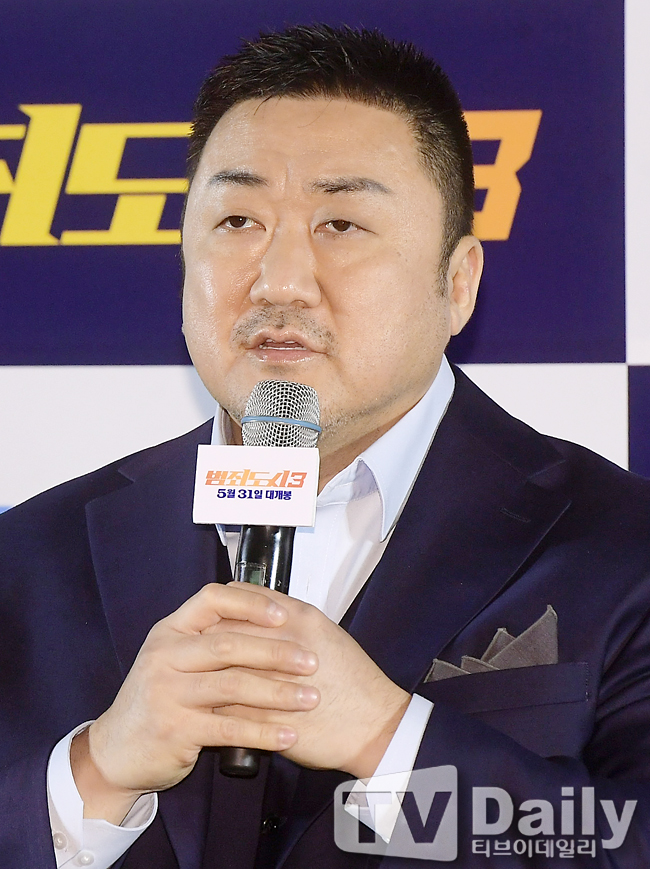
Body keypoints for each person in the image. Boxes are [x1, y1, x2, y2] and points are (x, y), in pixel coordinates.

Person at [2, 23, 650, 868]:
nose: (278, 280)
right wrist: (92, 777)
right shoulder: (28, 556)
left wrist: (389, 740)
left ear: (458, 283)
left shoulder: (623, 546)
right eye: (237, 219)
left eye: (341, 223)